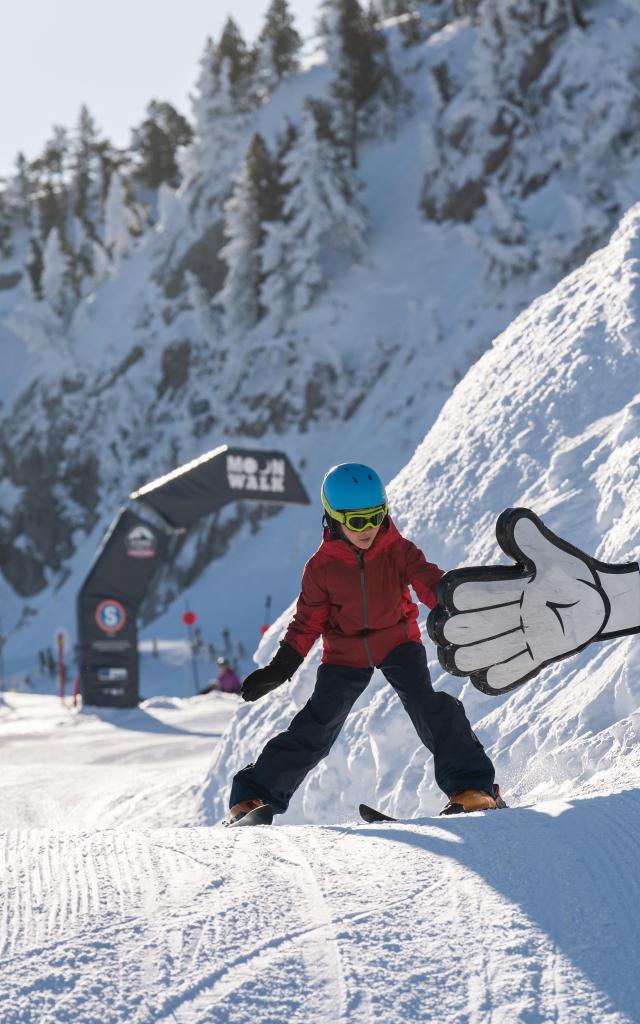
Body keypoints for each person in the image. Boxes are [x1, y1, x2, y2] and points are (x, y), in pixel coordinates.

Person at [228, 463, 503, 823]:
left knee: (429, 707)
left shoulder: (397, 549)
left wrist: (455, 601)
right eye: (357, 522)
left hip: (398, 641)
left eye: (376, 517)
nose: (369, 529)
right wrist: (282, 666)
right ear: (333, 519)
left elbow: (428, 581)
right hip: (345, 654)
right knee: (318, 724)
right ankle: (254, 795)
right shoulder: (321, 569)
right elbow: (307, 622)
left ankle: (474, 787)